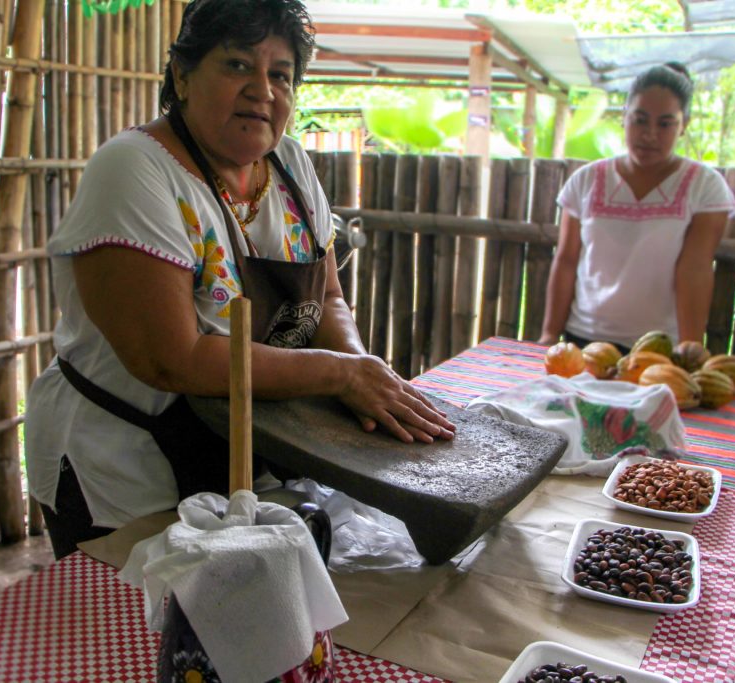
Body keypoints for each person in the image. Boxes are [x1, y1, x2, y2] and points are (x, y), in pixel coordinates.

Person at [25, 0, 454, 559]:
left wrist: (360, 376)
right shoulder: (135, 170)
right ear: (181, 75)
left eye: (280, 74)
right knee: (141, 633)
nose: (262, 90)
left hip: (243, 447)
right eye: (236, 66)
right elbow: (169, 358)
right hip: (125, 463)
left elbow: (326, 298)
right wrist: (339, 375)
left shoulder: (290, 166)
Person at [538, 63, 735, 352]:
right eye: (640, 120)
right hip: (583, 341)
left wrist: (691, 347)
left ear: (684, 126)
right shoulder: (585, 181)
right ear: (624, 117)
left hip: (658, 349)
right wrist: (549, 334)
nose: (650, 134)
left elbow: (694, 269)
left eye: (665, 123)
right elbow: (567, 260)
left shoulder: (704, 186)